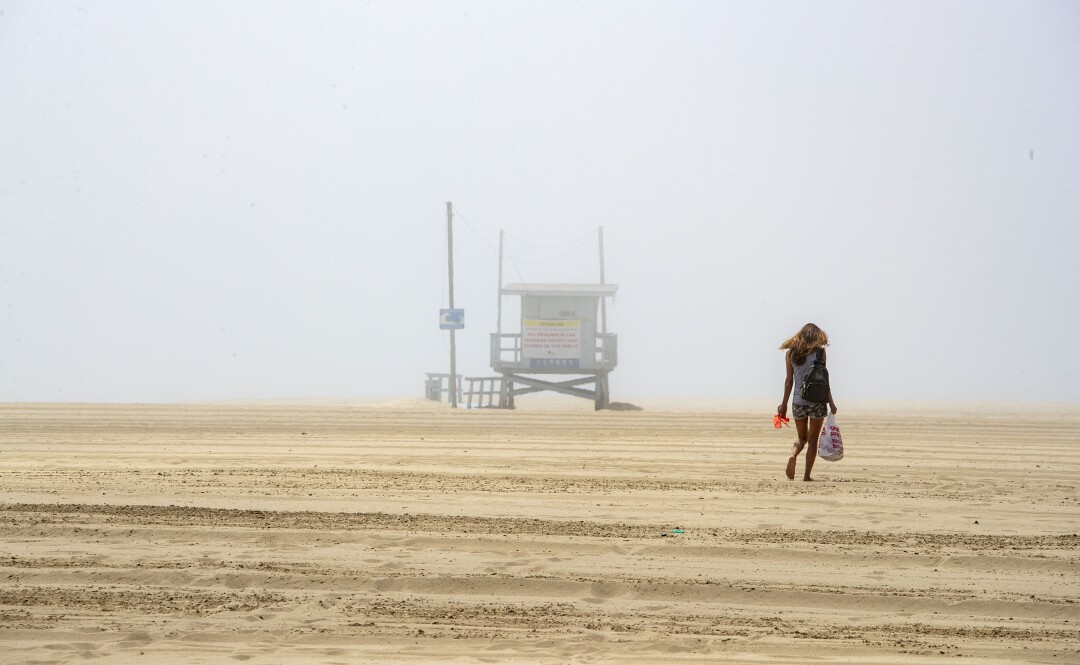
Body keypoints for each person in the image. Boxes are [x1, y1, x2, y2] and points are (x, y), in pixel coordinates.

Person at [777, 323, 837, 481]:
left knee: (801, 438)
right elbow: (824, 381)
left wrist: (783, 405)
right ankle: (806, 476)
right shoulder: (820, 353)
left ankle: (793, 455)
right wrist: (831, 403)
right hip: (817, 402)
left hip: (798, 402)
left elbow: (789, 381)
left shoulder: (791, 353)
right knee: (812, 441)